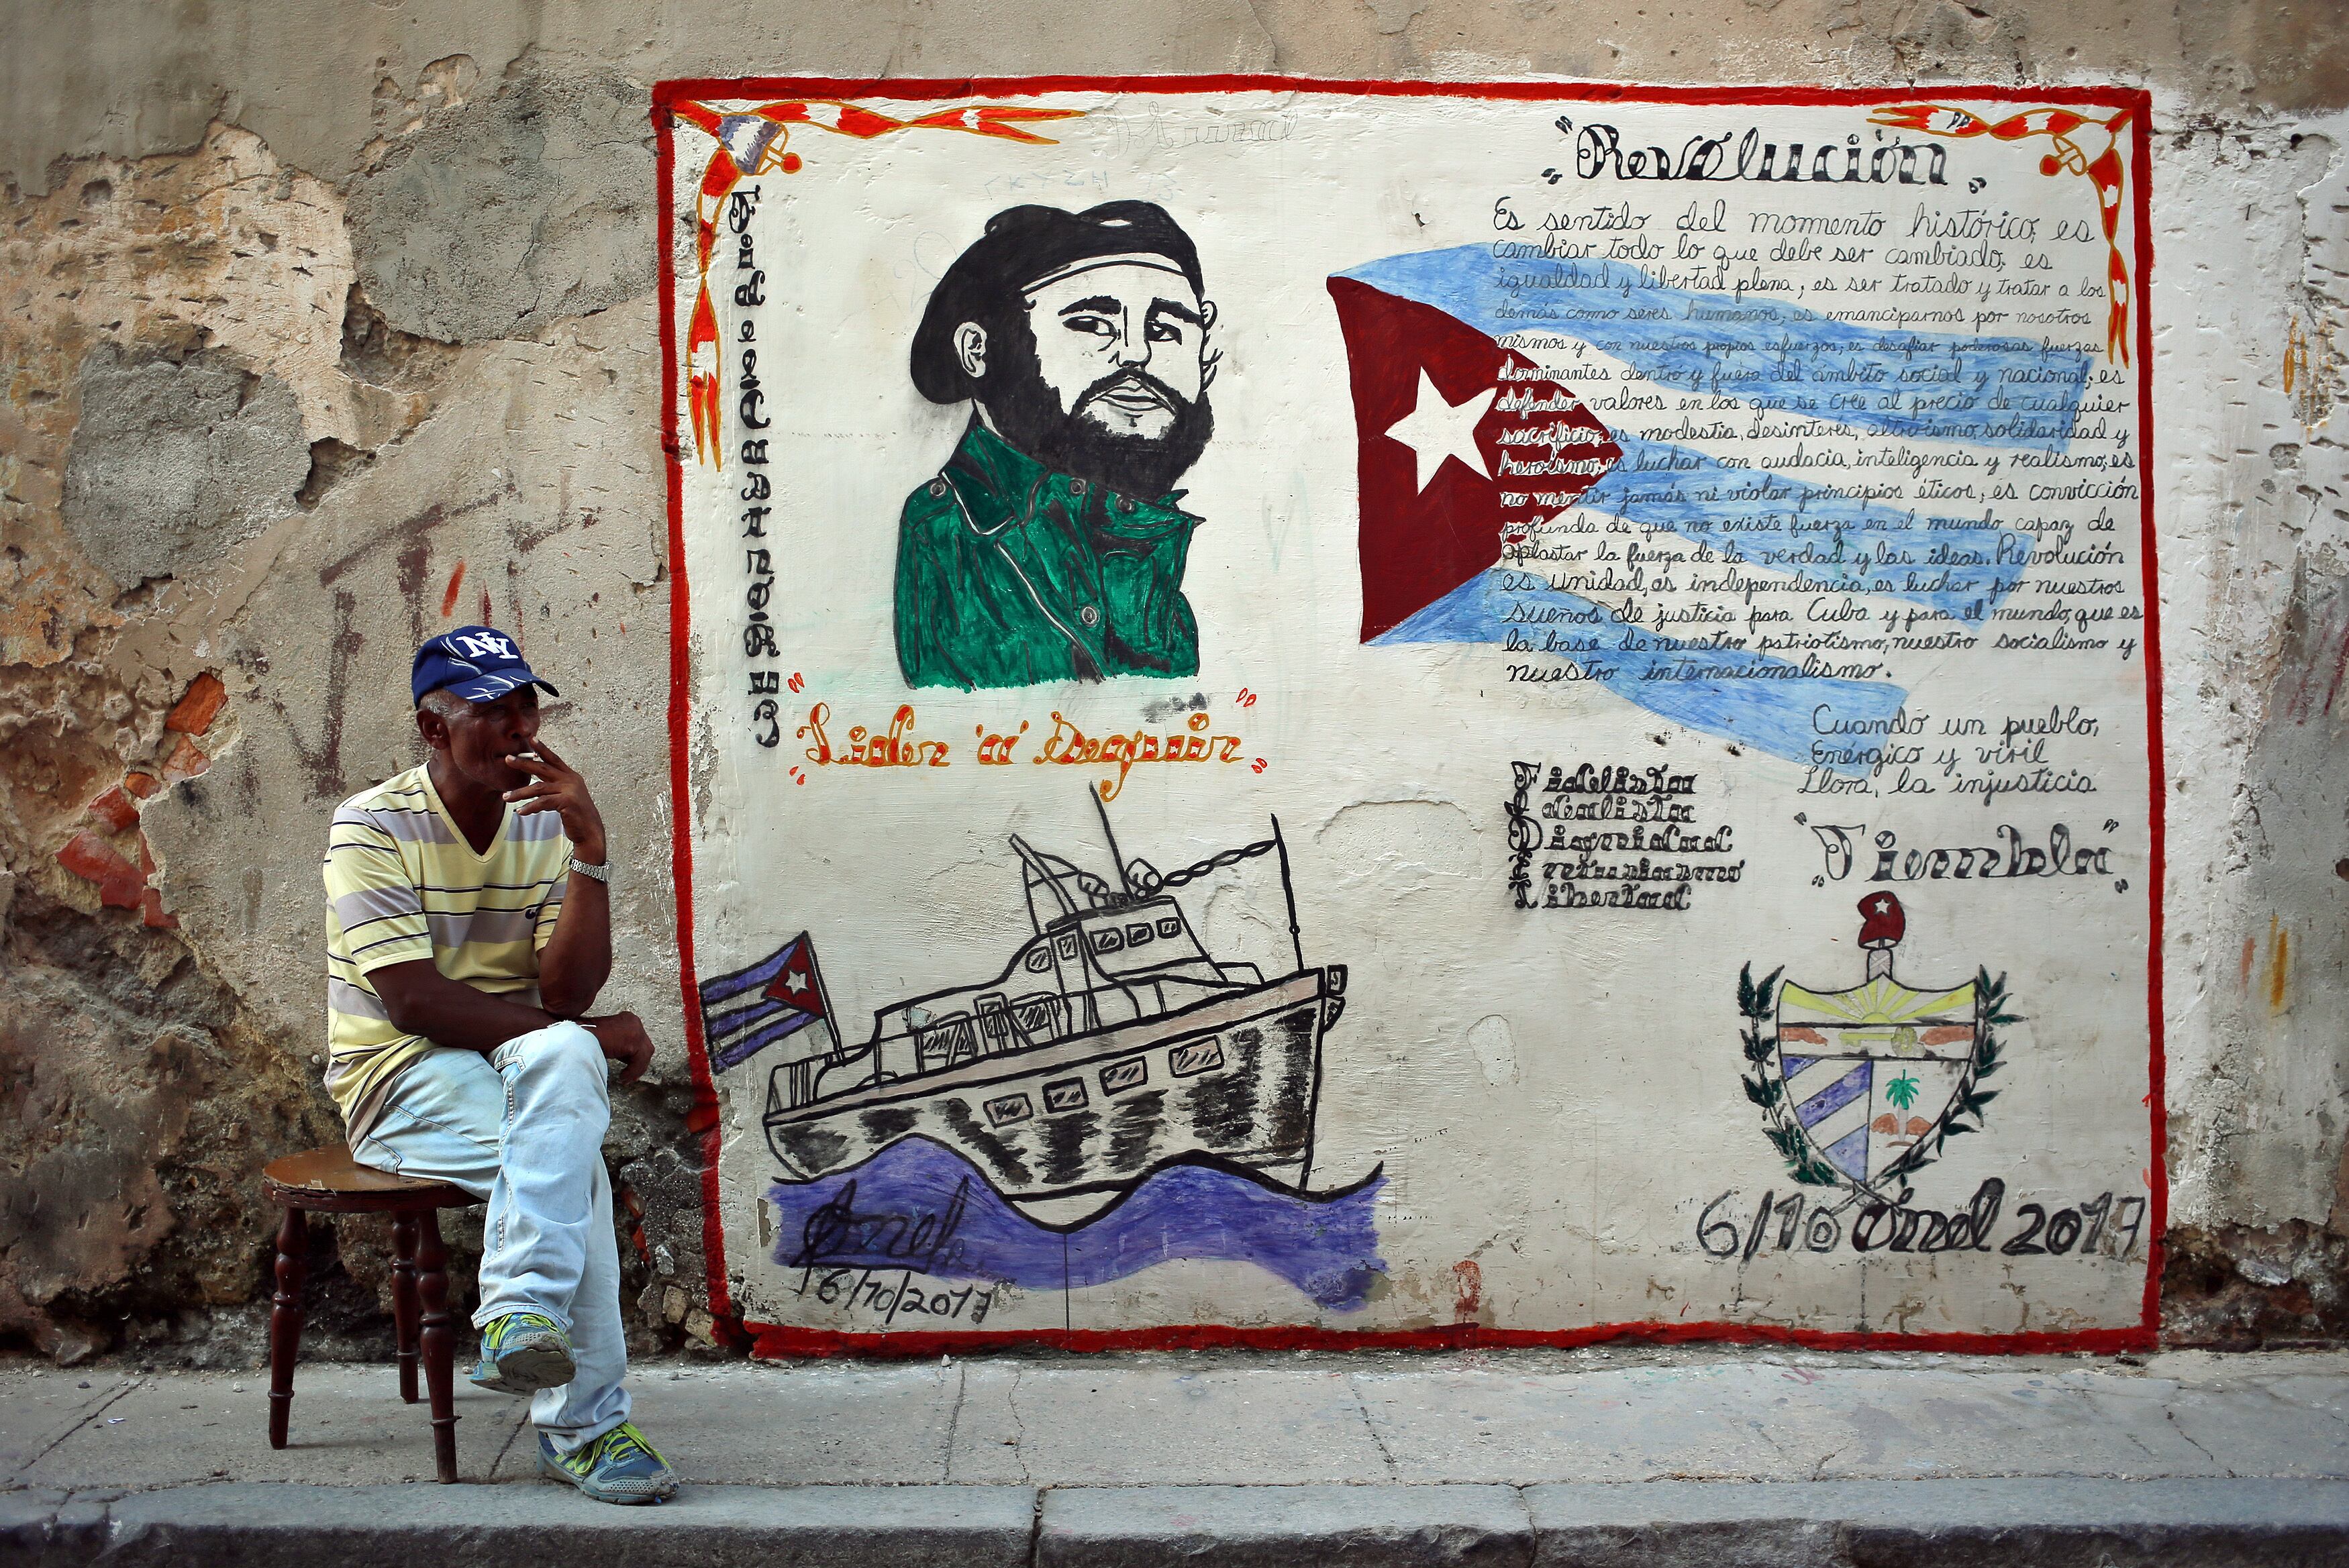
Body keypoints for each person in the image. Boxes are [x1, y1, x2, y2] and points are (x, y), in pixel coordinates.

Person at [320, 625, 677, 1505]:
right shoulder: (369, 826)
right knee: (578, 1169)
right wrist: (585, 1039)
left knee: (562, 1079)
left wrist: (592, 857)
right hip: (398, 1082)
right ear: (433, 730)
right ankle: (585, 1428)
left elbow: (562, 996)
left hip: (514, 1069)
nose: (519, 726)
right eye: (490, 709)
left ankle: (520, 1313)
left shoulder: (541, 823)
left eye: (527, 702)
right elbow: (412, 1002)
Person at [896, 200, 1221, 690]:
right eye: (1092, 323)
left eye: (1166, 329)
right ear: (979, 351)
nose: (1137, 353)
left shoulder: (1143, 531)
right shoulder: (947, 538)